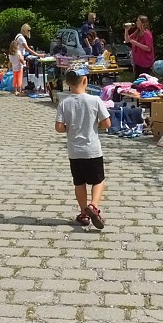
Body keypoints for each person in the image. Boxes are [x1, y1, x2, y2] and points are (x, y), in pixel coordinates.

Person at [54, 67, 111, 229]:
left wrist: (70, 128)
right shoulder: (95, 100)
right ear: (85, 81)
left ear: (67, 83)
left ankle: (83, 213)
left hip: (74, 152)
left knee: (79, 183)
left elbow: (58, 127)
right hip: (92, 150)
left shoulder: (64, 102)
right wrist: (94, 125)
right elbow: (107, 123)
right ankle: (93, 206)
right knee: (98, 181)